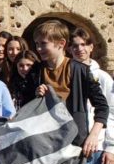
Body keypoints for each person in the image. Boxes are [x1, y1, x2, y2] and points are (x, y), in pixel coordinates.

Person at [24, 20, 108, 151]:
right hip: (45, 144)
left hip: (75, 143)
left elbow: (102, 107)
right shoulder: (35, 72)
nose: (38, 49)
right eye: (37, 44)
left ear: (61, 43)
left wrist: (93, 135)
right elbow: (25, 107)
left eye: (44, 43)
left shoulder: (81, 70)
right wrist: (36, 97)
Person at [68, 27, 114, 164]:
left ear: (91, 47)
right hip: (77, 144)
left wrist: (111, 147)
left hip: (98, 144)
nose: (79, 49)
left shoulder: (102, 77)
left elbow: (111, 112)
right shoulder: (69, 73)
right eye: (75, 45)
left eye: (83, 45)